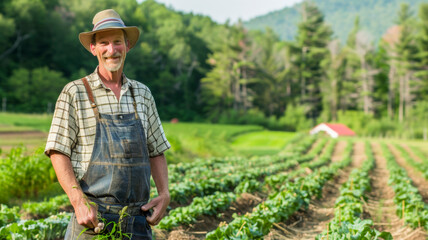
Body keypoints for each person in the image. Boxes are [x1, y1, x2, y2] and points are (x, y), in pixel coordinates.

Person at [45, 9, 171, 240]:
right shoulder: (75, 92)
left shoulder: (142, 94)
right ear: (93, 48)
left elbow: (156, 150)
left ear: (128, 46)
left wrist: (164, 193)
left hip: (137, 220)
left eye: (117, 42)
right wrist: (78, 201)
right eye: (104, 43)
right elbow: (58, 151)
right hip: (93, 222)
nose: (111, 50)